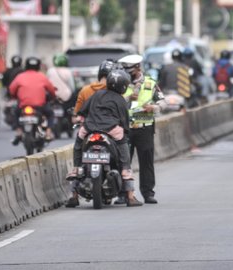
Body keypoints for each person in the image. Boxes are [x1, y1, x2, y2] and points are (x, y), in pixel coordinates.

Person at [75, 69, 143, 207]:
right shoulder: (120, 100)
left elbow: (82, 111)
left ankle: (74, 181)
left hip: (90, 128)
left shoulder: (96, 94)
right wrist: (126, 131)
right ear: (124, 86)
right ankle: (130, 195)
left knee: (78, 144)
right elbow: (124, 122)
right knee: (125, 155)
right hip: (111, 129)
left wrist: (83, 120)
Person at [117, 54, 166, 205]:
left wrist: (153, 107)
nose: (127, 73)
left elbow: (163, 103)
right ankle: (122, 194)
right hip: (126, 128)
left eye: (129, 70)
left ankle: (148, 193)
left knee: (146, 161)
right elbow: (114, 102)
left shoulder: (150, 83)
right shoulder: (120, 84)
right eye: (125, 70)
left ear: (138, 68)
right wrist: (127, 99)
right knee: (123, 162)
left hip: (145, 127)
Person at [65, 59, 114, 207]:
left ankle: (74, 192)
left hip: (88, 128)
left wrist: (78, 118)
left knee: (78, 151)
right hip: (110, 129)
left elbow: (77, 113)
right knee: (122, 149)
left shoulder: (86, 90)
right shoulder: (115, 90)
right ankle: (128, 189)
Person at [9, 56, 56, 143]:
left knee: (15, 113)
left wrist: (15, 96)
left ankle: (19, 132)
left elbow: (12, 89)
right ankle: (48, 133)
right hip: (40, 106)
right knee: (50, 114)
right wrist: (53, 97)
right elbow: (51, 90)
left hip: (23, 105)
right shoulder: (42, 77)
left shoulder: (20, 76)